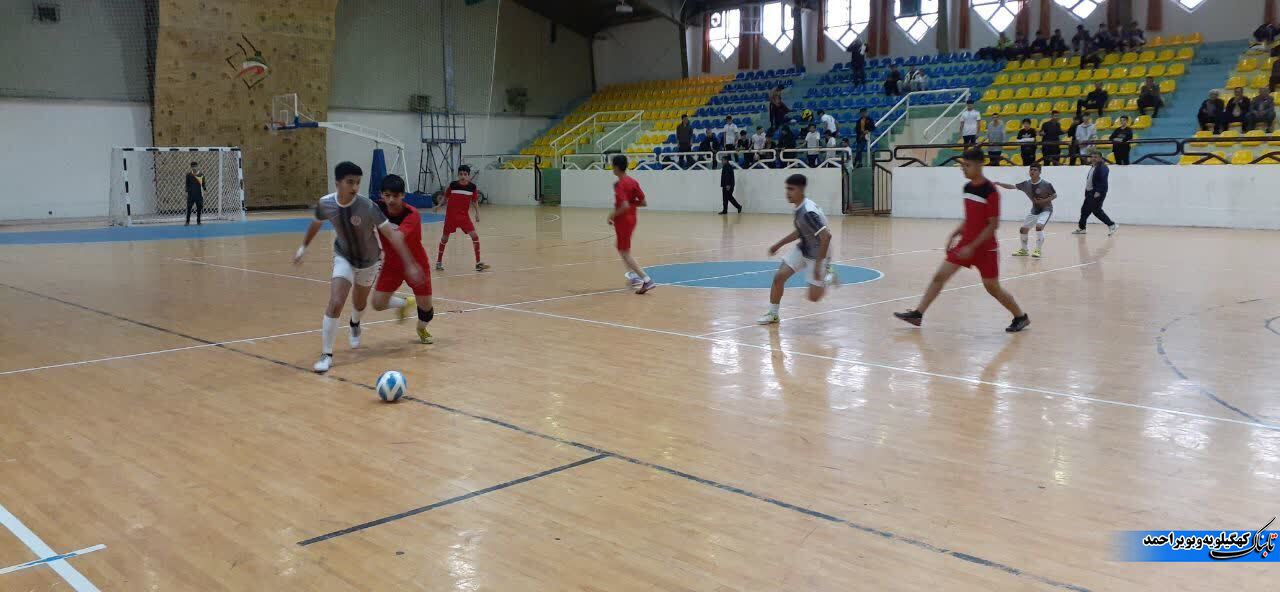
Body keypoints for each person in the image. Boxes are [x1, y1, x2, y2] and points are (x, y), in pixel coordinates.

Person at [293, 161, 423, 373]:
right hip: (344, 257)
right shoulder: (326, 203)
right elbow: (316, 223)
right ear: (338, 183)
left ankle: (355, 323)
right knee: (336, 301)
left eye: (357, 183)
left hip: (370, 261)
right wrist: (303, 247)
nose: (354, 187)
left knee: (360, 304)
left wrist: (410, 264)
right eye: (350, 182)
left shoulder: (368, 207)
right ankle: (326, 354)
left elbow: (392, 236)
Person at [893, 149, 1030, 332]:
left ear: (980, 165)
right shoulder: (967, 188)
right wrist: (955, 233)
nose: (963, 168)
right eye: (962, 165)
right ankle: (918, 314)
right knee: (939, 277)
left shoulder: (991, 192)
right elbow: (970, 218)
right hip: (965, 245)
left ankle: (1021, 317)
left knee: (992, 288)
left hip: (985, 250)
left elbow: (993, 225)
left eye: (967, 165)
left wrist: (972, 247)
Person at [756, 173, 836, 325]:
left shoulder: (808, 212)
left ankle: (828, 275)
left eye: (791, 189)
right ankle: (773, 314)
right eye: (787, 189)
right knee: (779, 277)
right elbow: (801, 231)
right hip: (803, 247)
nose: (787, 193)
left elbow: (826, 237)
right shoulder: (799, 207)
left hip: (819, 253)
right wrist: (779, 244)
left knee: (813, 298)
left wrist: (819, 265)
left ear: (801, 190)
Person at [369, 174, 435, 344]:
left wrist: (410, 265)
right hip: (392, 266)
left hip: (416, 264)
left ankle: (421, 328)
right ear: (381, 195)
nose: (391, 200)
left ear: (403, 195)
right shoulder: (376, 209)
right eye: (387, 195)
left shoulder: (411, 214)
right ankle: (405, 303)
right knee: (377, 304)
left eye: (396, 196)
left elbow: (397, 238)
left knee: (426, 310)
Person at [608, 154, 655, 294]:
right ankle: (633, 277)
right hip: (632, 218)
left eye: (612, 165)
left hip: (623, 220)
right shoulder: (633, 181)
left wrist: (612, 215)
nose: (612, 168)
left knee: (625, 252)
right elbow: (643, 202)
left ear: (617, 167)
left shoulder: (620, 184)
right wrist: (631, 204)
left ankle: (646, 280)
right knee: (621, 247)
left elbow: (623, 205)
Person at [433, 165, 490, 272]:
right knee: (444, 238)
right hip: (451, 217)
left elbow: (474, 201)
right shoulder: (453, 185)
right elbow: (446, 197)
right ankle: (439, 262)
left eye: (465, 174)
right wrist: (438, 205)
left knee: (475, 236)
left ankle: (478, 263)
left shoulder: (472, 187)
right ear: (458, 175)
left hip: (464, 217)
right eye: (461, 174)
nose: (463, 176)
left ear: (469, 176)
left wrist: (477, 213)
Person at [994, 164, 1056, 258]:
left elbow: (1054, 195)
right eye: (1031, 170)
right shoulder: (1026, 184)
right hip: (1035, 210)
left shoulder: (1046, 184)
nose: (1032, 171)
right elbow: (1012, 186)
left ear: (1040, 172)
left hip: (1046, 209)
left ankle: (1038, 250)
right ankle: (1024, 250)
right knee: (1023, 230)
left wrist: (1043, 201)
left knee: (1039, 227)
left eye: (1035, 170)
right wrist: (999, 183)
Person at [1074, 152, 1118, 236]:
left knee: (1096, 211)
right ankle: (1082, 228)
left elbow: (1103, 180)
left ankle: (1112, 225)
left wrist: (1098, 191)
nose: (1093, 159)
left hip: (1097, 193)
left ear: (1100, 158)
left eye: (1096, 157)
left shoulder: (1103, 167)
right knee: (1085, 210)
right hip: (1089, 192)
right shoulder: (1093, 167)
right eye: (1092, 157)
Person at [184, 161, 205, 226]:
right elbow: (187, 184)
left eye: (195, 166)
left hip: (199, 195)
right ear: (191, 167)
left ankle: (198, 221)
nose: (194, 168)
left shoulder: (201, 175)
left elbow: (203, 184)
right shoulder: (188, 175)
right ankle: (187, 221)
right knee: (189, 208)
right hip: (191, 195)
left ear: (197, 166)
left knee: (199, 208)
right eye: (193, 167)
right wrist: (187, 191)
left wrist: (205, 191)